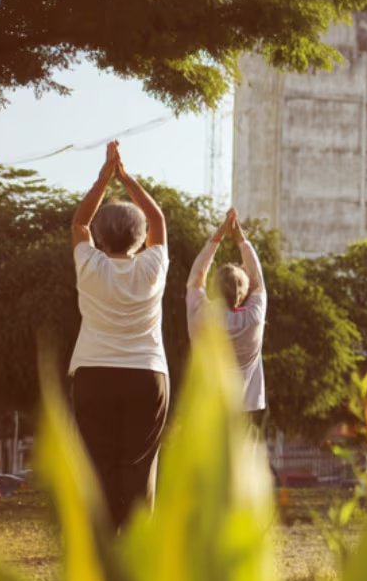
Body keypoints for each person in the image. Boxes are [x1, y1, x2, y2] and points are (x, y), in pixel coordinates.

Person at [69, 141, 170, 530]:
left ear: (100, 238)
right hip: (147, 375)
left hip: (94, 375)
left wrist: (103, 179)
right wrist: (126, 179)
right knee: (139, 466)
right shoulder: (152, 266)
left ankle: (101, 552)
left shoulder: (90, 265)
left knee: (97, 466)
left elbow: (79, 223)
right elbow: (158, 220)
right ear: (141, 238)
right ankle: (138, 553)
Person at [186, 207, 268, 431]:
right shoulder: (253, 317)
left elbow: (196, 278)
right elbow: (258, 280)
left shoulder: (201, 314)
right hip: (247, 409)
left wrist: (218, 236)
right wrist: (240, 237)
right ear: (245, 292)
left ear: (214, 286)